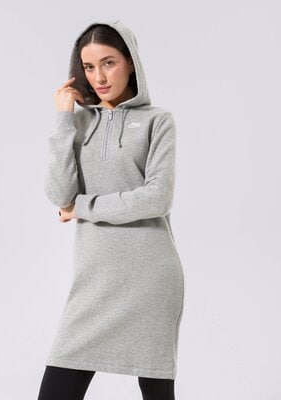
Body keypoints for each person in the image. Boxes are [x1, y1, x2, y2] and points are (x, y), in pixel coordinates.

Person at [39, 20, 185, 400]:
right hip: (93, 280)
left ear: (130, 61)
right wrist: (63, 119)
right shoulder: (78, 122)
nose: (99, 77)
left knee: (156, 392)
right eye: (89, 67)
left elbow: (156, 198)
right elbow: (60, 194)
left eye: (109, 63)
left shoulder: (157, 122)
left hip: (151, 277)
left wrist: (83, 207)